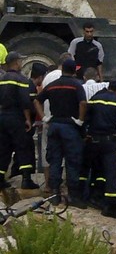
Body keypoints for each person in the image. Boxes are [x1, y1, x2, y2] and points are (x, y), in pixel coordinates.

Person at [34, 59, 86, 206]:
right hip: (70, 127)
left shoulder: (51, 85)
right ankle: (73, 196)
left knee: (55, 160)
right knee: (72, 161)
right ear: (74, 71)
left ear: (62, 69)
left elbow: (37, 101)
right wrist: (80, 120)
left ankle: (55, 195)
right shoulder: (76, 85)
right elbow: (83, 103)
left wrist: (45, 117)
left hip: (54, 125)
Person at [84, 79, 116, 209]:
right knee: (110, 172)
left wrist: (86, 133)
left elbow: (86, 115)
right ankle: (109, 205)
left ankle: (88, 197)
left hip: (93, 140)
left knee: (90, 168)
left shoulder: (95, 98)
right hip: (109, 141)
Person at [0, 52, 37, 190]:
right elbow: (25, 102)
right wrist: (27, 120)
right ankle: (26, 179)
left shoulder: (2, 78)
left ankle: (0, 179)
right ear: (16, 63)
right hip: (16, 117)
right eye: (20, 61)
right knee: (23, 146)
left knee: (3, 148)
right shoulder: (21, 79)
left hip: (3, 116)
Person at [39, 53, 73, 192]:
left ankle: (48, 184)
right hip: (64, 120)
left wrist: (43, 117)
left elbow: (39, 97)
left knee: (46, 151)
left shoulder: (48, 76)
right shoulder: (68, 78)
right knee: (64, 152)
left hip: (48, 119)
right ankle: (61, 184)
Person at [11, 62, 47, 190]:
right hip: (26, 125)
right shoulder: (31, 87)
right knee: (26, 151)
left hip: (18, 123)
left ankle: (16, 173)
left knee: (19, 151)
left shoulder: (25, 84)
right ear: (40, 77)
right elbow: (30, 106)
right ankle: (25, 178)